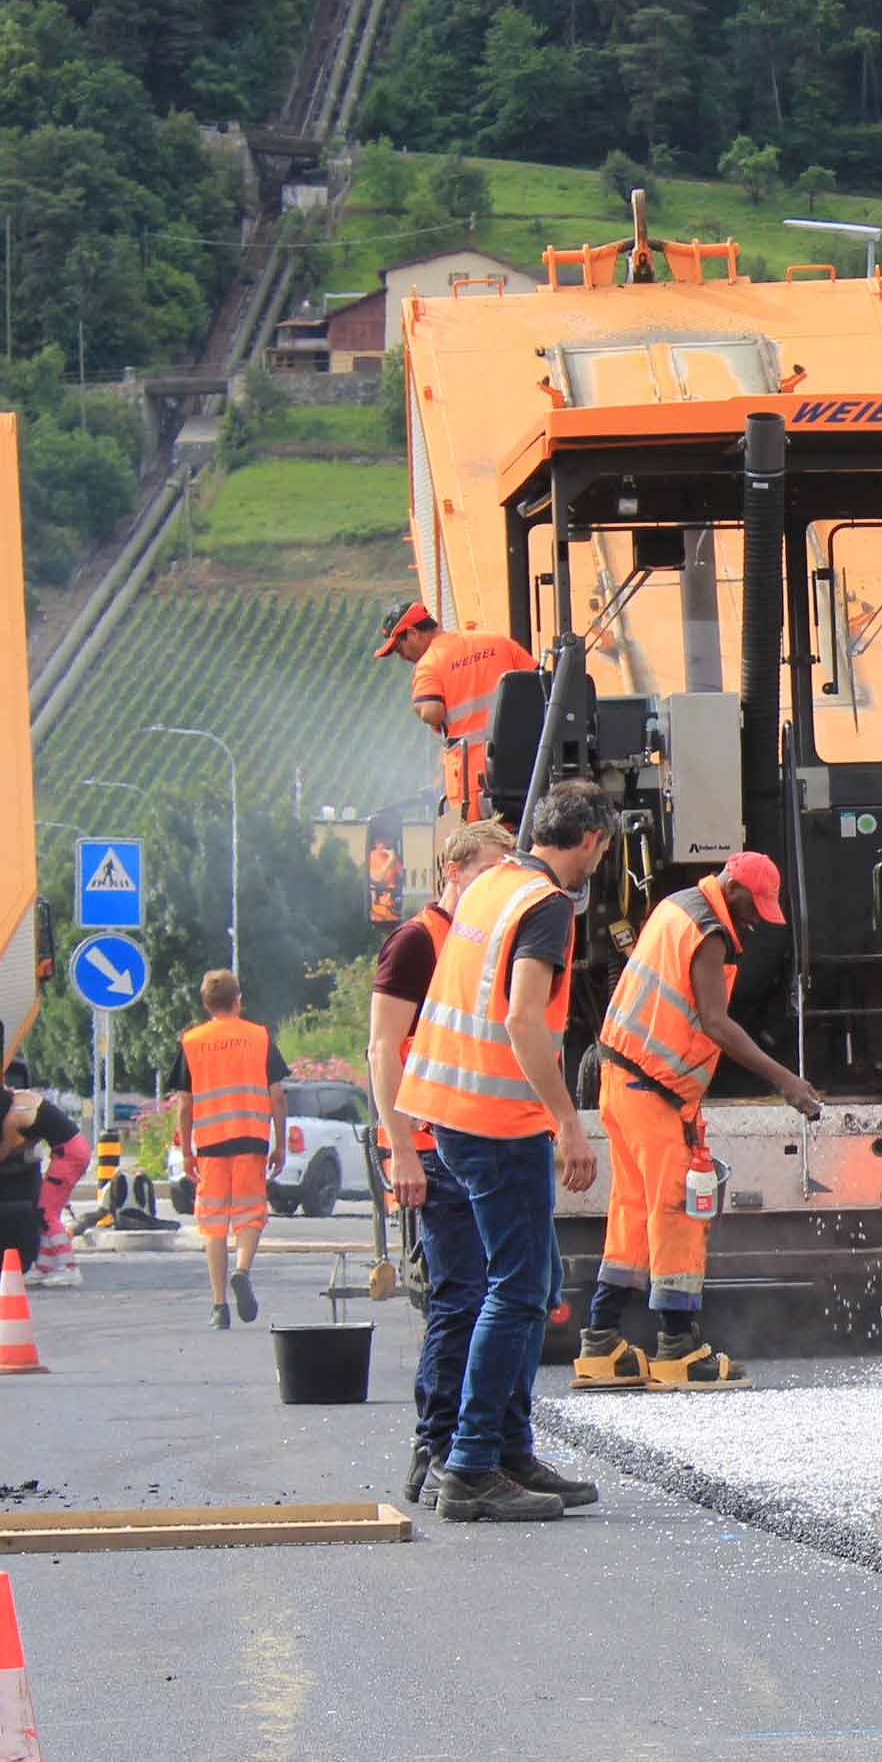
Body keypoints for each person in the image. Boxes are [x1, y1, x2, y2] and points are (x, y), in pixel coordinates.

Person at [396, 784, 613, 1522]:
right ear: (589, 841)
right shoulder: (545, 904)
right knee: (518, 1288)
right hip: (496, 1116)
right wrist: (568, 1123)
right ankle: (473, 1465)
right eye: (602, 851)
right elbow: (524, 1018)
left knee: (533, 1278)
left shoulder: (491, 884)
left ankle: (510, 1450)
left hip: (451, 1109)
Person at [578, 852, 823, 1390]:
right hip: (653, 1088)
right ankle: (678, 1347)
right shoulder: (708, 929)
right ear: (731, 887)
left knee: (632, 1210)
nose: (755, 920)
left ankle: (601, 1342)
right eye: (752, 907)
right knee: (676, 1211)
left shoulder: (675, 907)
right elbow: (716, 1022)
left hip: (624, 1081)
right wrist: (788, 1081)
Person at [373, 819, 515, 1501]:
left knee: (499, 1294)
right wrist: (399, 1145)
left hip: (471, 1136)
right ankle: (434, 1448)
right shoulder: (415, 942)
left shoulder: (472, 941)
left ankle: (488, 1447)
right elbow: (381, 1048)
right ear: (453, 871)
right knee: (460, 1295)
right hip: (430, 1145)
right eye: (489, 871)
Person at [172, 970, 288, 1330]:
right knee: (250, 1215)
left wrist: (187, 1150)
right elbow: (278, 1095)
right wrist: (280, 1144)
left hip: (210, 1145)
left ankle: (219, 1306)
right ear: (238, 1000)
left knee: (213, 1225)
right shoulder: (259, 1037)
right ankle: (243, 1270)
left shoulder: (192, 1041)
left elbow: (185, 1104)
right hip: (251, 1139)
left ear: (206, 1004)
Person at [376, 601, 537, 819]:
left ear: (412, 633)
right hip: (528, 770)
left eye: (399, 649)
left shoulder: (429, 663)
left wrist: (418, 705)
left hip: (473, 785)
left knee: (480, 849)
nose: (402, 656)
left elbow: (432, 712)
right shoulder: (496, 641)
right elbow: (541, 684)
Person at [0, 1078, 88, 1289]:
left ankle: (70, 1268)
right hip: (75, 1148)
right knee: (46, 1210)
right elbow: (35, 1133)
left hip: (68, 1155)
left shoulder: (11, 1119)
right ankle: (43, 1268)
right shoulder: (24, 1097)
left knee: (48, 1214)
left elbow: (1, 1153)